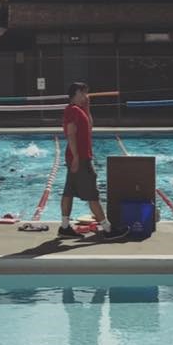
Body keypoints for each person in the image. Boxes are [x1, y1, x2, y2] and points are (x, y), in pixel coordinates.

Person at [59, 82, 115, 238]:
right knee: (92, 194)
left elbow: (89, 127)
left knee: (68, 192)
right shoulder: (72, 110)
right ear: (77, 93)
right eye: (84, 93)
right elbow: (70, 133)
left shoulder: (80, 110)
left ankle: (64, 227)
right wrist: (76, 157)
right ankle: (108, 229)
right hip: (80, 158)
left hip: (79, 157)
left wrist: (88, 107)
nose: (86, 96)